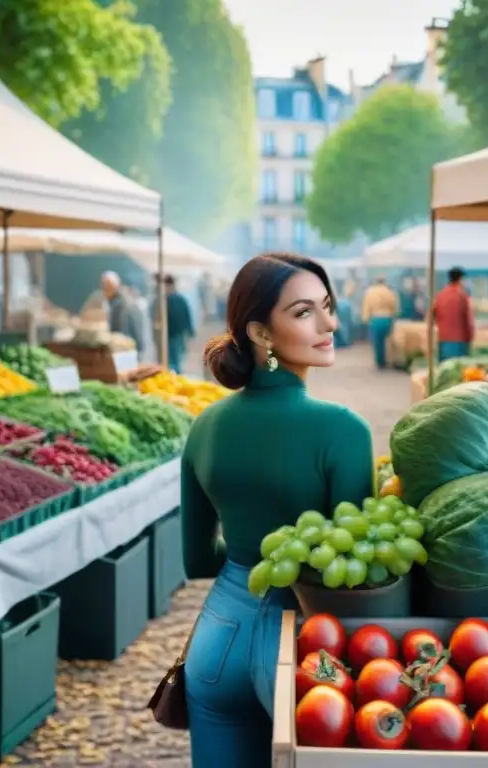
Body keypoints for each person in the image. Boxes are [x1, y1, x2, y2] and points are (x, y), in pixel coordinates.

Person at [182, 253, 373, 767]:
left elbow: (196, 562)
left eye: (328, 307)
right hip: (306, 650)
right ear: (262, 333)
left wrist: (250, 549)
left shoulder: (204, 426)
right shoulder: (344, 431)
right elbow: (351, 571)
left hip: (216, 640)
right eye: (305, 312)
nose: (330, 323)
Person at [151, 275, 195, 373]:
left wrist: (190, 331)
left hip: (175, 335)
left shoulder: (177, 300)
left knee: (174, 361)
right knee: (170, 361)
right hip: (167, 336)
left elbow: (187, 315)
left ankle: (175, 378)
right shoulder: (162, 300)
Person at [432, 267, 475, 360]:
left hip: (443, 338)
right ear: (461, 279)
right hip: (459, 339)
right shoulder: (462, 295)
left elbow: (433, 314)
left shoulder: (441, 295)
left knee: (445, 368)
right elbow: (467, 319)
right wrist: (470, 337)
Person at [101, 271, 146, 359]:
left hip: (125, 351)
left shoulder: (122, 304)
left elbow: (123, 331)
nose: (105, 290)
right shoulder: (114, 303)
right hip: (125, 349)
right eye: (104, 287)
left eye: (107, 287)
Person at [360, 276, 399, 369]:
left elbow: (366, 306)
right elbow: (395, 307)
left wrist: (365, 318)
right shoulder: (390, 292)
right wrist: (395, 315)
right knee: (388, 341)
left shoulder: (370, 292)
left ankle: (379, 361)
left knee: (377, 341)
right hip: (387, 318)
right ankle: (388, 359)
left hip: (375, 318)